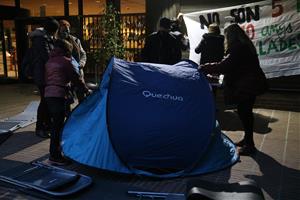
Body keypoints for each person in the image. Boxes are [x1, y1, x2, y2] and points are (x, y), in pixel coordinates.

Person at [199, 23, 268, 156]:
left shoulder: (238, 47)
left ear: (230, 36)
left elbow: (226, 65)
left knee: (245, 113)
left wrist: (205, 67)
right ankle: (247, 140)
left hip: (247, 85)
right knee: (245, 113)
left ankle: (250, 145)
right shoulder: (244, 46)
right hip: (250, 84)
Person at [44, 39, 89, 165]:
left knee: (56, 125)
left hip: (49, 94)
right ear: (67, 49)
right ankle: (55, 155)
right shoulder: (66, 61)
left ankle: (57, 152)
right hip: (59, 94)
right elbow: (76, 78)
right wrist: (85, 89)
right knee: (58, 127)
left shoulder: (50, 61)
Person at [29, 17, 59, 138]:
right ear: (54, 30)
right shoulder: (41, 40)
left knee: (47, 101)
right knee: (45, 101)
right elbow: (48, 57)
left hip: (46, 74)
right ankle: (40, 127)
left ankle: (46, 125)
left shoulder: (45, 38)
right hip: (42, 75)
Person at [195, 23, 224, 96]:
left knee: (204, 84)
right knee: (214, 85)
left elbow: (197, 50)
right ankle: (212, 102)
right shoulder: (221, 40)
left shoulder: (205, 39)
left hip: (205, 65)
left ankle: (205, 101)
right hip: (216, 66)